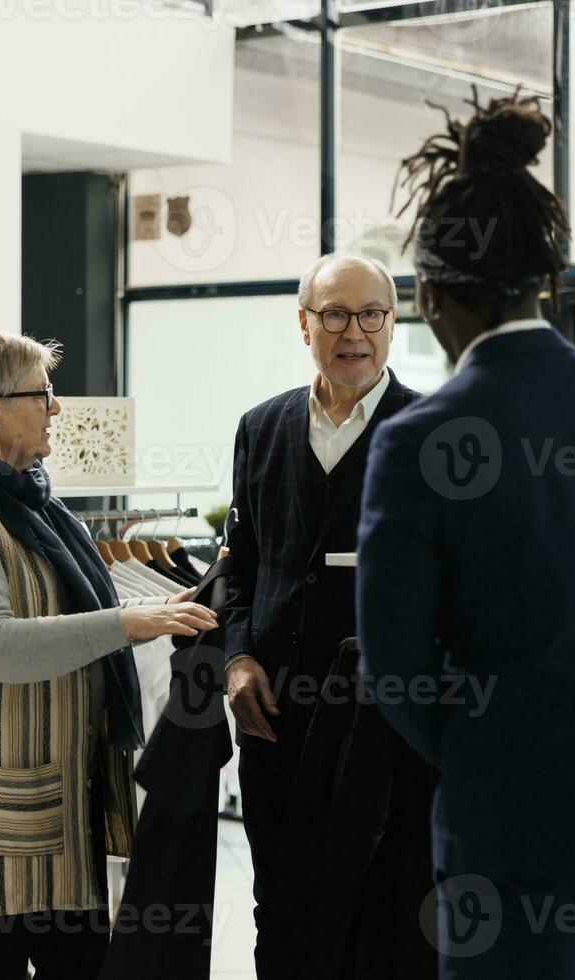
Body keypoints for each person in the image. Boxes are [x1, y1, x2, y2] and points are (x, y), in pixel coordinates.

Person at [356, 90, 575, 979]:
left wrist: (496, 741)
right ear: (546, 284)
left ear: (428, 295)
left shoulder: (415, 440)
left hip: (514, 820)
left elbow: (396, 665)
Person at [0, 332, 217, 979]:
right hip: (2, 814)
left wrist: (174, 607)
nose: (57, 409)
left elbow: (62, 612)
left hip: (63, 792)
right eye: (42, 395)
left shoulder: (29, 501)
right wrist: (129, 621)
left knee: (79, 960)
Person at [223, 253, 421, 978]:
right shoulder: (261, 427)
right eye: (335, 314)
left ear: (393, 325)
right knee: (278, 899)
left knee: (379, 905)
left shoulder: (430, 431)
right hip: (274, 713)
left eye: (373, 314)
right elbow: (238, 566)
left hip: (384, 722)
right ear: (303, 323)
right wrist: (237, 656)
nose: (355, 332)